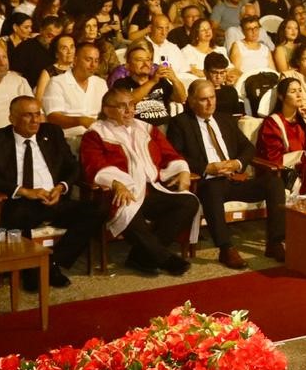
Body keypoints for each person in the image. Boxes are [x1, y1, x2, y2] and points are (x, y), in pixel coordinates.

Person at [0, 96, 95, 288]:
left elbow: (73, 167)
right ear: (12, 118)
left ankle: (52, 262)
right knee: (21, 214)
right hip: (18, 202)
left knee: (96, 209)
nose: (35, 120)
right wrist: (24, 191)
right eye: (28, 115)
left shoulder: (52, 132)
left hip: (53, 199)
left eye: (38, 114)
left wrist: (61, 188)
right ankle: (32, 270)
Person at [80, 82, 197, 277]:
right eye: (122, 106)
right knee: (129, 212)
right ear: (107, 110)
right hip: (122, 192)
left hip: (152, 188)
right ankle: (164, 258)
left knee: (188, 202)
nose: (129, 110)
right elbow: (93, 165)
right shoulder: (96, 133)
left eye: (132, 105)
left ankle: (141, 257)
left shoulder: (147, 128)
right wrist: (116, 183)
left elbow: (169, 153)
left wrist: (183, 171)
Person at [164, 80, 286, 266]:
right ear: (192, 101)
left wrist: (237, 163)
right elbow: (176, 156)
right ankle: (226, 248)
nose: (210, 103)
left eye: (212, 97)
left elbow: (248, 147)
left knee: (274, 183)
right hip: (207, 181)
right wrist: (207, 168)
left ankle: (275, 242)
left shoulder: (225, 119)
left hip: (234, 179)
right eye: (204, 99)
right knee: (212, 188)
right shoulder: (180, 123)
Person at [43, 41, 109, 142]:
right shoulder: (57, 82)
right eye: (88, 60)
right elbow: (53, 117)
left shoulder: (101, 83)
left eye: (96, 61)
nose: (93, 65)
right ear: (75, 60)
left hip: (99, 136)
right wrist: (80, 120)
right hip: (69, 138)